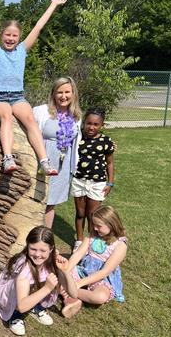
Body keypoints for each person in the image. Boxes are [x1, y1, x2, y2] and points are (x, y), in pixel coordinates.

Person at [0, 0, 65, 175]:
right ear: (2, 35)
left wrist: (52, 5)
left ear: (19, 38)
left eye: (14, 36)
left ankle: (44, 160)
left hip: (18, 97)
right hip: (0, 98)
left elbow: (38, 27)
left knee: (30, 120)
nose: (10, 38)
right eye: (7, 35)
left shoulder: (22, 51)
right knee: (6, 116)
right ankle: (7, 158)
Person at [0, 226, 78, 335]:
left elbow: (74, 294)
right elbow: (22, 307)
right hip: (11, 296)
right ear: (27, 246)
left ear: (51, 249)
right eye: (33, 249)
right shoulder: (24, 267)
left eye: (43, 250)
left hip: (29, 292)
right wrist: (47, 288)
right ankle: (15, 314)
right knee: (27, 284)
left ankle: (34, 305)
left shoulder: (52, 260)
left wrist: (65, 271)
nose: (37, 254)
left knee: (53, 275)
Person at [33, 77, 82, 228]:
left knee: (51, 203)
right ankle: (30, 237)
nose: (63, 96)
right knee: (35, 201)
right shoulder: (41, 111)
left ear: (73, 94)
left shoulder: (76, 116)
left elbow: (78, 142)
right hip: (41, 161)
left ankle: (45, 238)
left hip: (62, 164)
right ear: (53, 94)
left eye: (67, 92)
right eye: (59, 92)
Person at [62, 205, 127, 317]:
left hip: (102, 278)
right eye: (94, 225)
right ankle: (72, 298)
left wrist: (78, 284)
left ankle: (68, 292)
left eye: (99, 226)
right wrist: (66, 271)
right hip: (83, 270)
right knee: (57, 274)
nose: (95, 228)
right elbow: (77, 254)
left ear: (111, 224)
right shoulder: (92, 235)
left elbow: (104, 272)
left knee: (100, 297)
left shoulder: (120, 245)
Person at [71, 107, 115, 251]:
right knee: (80, 214)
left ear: (102, 125)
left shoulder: (106, 141)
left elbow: (110, 163)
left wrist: (110, 182)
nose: (91, 127)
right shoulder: (77, 137)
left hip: (97, 183)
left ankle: (90, 241)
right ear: (84, 123)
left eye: (96, 124)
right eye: (89, 123)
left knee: (92, 215)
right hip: (79, 180)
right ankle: (79, 240)